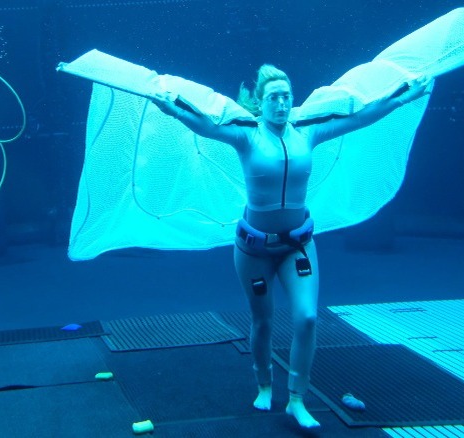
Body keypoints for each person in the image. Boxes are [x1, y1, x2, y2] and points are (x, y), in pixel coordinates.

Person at [150, 66, 431, 429]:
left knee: (308, 317)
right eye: (273, 98)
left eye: (286, 97)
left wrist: (404, 96)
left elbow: (361, 117)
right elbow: (205, 125)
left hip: (296, 246)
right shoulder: (247, 136)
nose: (281, 104)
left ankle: (297, 398)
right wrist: (170, 108)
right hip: (253, 251)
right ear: (261, 103)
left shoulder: (308, 131)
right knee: (263, 321)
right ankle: (264, 383)